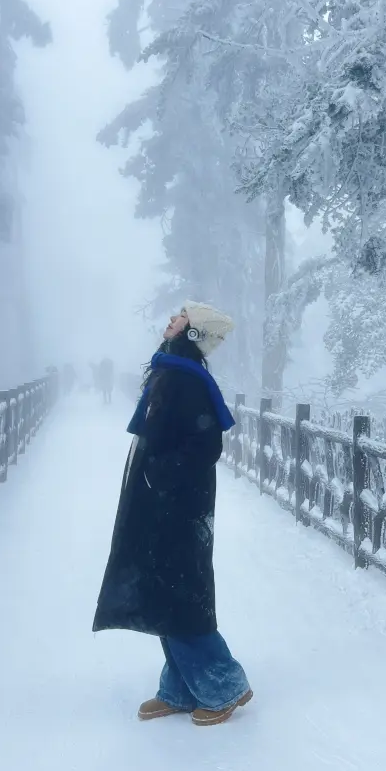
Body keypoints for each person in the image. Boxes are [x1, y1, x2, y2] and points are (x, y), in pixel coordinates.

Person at [93, 301, 252, 727]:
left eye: (181, 316)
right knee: (163, 589)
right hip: (164, 501)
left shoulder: (186, 377)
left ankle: (223, 685)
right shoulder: (173, 370)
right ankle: (181, 688)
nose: (171, 319)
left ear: (193, 331)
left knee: (180, 591)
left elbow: (206, 445)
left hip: (179, 506)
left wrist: (160, 477)